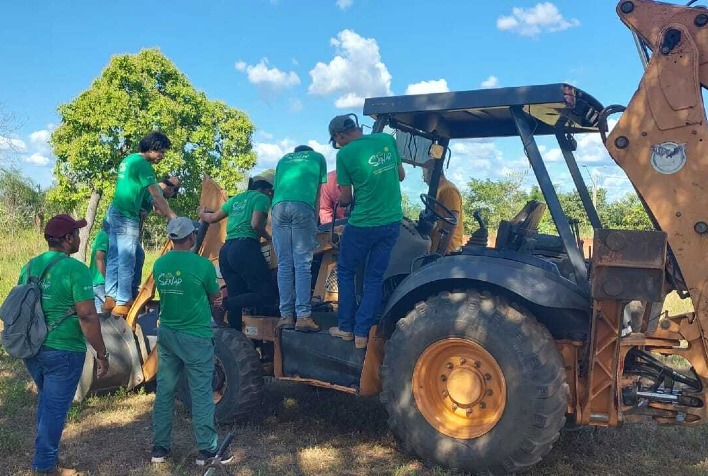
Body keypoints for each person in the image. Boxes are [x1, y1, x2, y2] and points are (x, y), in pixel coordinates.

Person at [20, 214, 109, 476]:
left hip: (33, 349)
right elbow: (88, 315)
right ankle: (45, 466)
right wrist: (102, 353)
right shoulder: (76, 269)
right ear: (68, 238)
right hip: (64, 351)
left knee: (48, 403)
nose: (81, 238)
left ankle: (46, 458)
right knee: (55, 410)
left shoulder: (30, 266)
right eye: (77, 234)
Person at [150, 217, 231, 467]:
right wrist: (215, 298)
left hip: (168, 334)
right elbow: (215, 295)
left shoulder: (159, 265)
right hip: (195, 336)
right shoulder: (202, 265)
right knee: (201, 393)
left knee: (164, 390)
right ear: (191, 237)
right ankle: (207, 450)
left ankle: (159, 449)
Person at [327, 115, 405, 349]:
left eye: (335, 141)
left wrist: (341, 203)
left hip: (363, 224)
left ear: (340, 136)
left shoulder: (345, 155)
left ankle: (345, 328)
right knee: (374, 278)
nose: (337, 145)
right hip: (392, 222)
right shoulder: (386, 140)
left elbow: (347, 197)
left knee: (346, 271)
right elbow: (400, 175)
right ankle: (362, 333)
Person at [104, 131, 177, 318]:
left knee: (113, 256)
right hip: (127, 215)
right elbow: (156, 194)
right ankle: (123, 302)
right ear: (153, 148)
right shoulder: (143, 165)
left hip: (114, 210)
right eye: (161, 152)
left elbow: (138, 191)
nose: (162, 156)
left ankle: (110, 296)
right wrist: (172, 216)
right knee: (128, 257)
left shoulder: (128, 160)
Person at [199, 173, 275, 331]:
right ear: (267, 190)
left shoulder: (235, 199)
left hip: (226, 251)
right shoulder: (261, 198)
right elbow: (255, 224)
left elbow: (212, 218)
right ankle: (226, 303)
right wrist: (269, 238)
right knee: (267, 293)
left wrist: (201, 213)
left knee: (236, 294)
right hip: (245, 247)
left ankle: (235, 334)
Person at [271, 145, 328, 332]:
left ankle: (285, 316)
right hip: (303, 207)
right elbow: (318, 194)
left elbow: (277, 190)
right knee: (302, 264)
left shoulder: (283, 160)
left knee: (284, 264)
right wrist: (316, 222)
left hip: (279, 208)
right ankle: (303, 316)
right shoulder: (318, 158)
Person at [422, 159, 465, 254]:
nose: (424, 180)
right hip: (435, 247)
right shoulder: (437, 190)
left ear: (432, 172)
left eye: (424, 175)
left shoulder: (449, 190)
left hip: (448, 251)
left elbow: (451, 222)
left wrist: (440, 253)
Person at [88, 228, 109, 313]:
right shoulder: (104, 235)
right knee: (113, 314)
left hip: (98, 283)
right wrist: (108, 281)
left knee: (100, 317)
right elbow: (99, 258)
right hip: (101, 283)